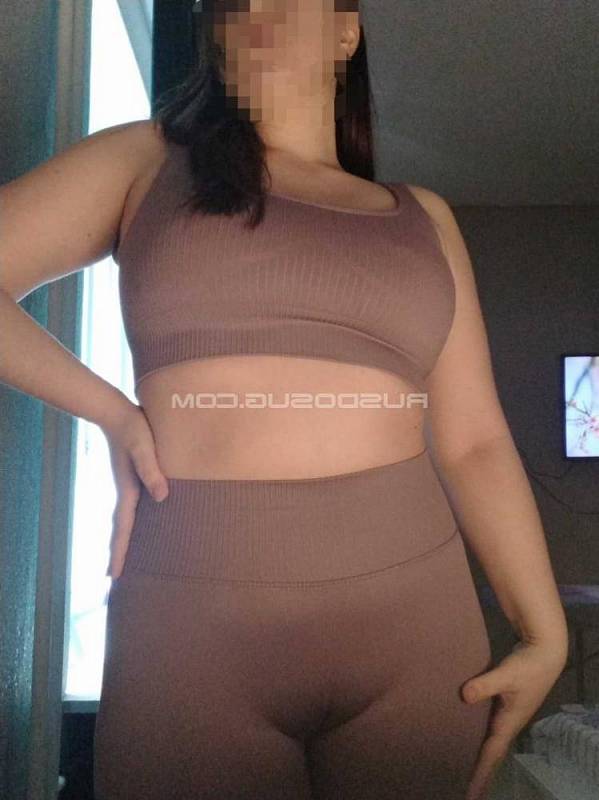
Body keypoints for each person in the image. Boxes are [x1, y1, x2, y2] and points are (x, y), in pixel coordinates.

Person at [0, 1, 569, 798]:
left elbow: (473, 440)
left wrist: (546, 633)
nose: (254, 13)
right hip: (190, 625)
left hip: (415, 627)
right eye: (233, 5)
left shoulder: (424, 218)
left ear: (345, 31)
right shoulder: (146, 162)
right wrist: (113, 414)